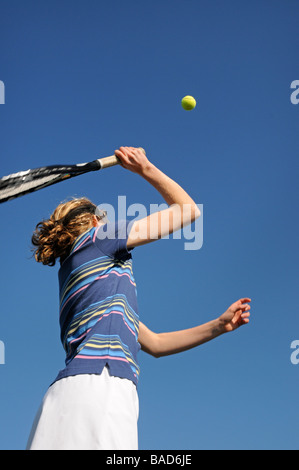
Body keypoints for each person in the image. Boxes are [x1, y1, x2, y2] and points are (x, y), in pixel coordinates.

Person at [26, 147, 251, 450]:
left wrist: (218, 325)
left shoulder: (84, 279)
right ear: (94, 223)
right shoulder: (97, 240)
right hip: (101, 388)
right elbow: (187, 211)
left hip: (65, 397)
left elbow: (155, 344)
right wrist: (145, 168)